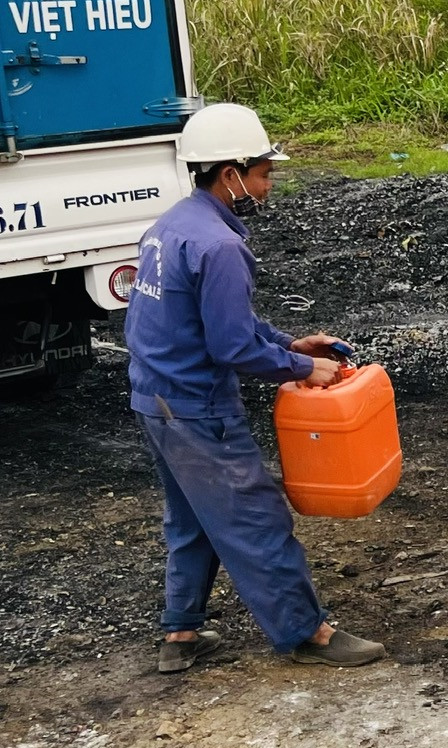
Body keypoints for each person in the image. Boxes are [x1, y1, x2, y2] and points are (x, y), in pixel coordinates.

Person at [125, 102, 386, 673]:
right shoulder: (220, 247)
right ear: (231, 175)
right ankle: (306, 633)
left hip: (154, 398)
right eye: (265, 173)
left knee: (192, 517)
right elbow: (232, 348)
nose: (269, 186)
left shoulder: (170, 227)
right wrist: (302, 371)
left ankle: (181, 634)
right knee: (256, 516)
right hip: (196, 408)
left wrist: (291, 344)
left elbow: (223, 324)